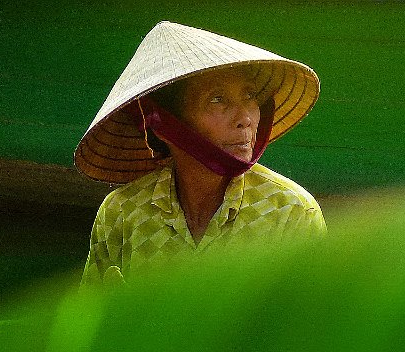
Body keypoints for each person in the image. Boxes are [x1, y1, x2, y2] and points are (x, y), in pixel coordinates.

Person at [75, 21, 326, 287]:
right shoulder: (123, 213)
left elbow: (312, 323)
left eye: (250, 96)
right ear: (164, 125)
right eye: (217, 99)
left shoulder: (290, 210)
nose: (245, 119)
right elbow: (93, 320)